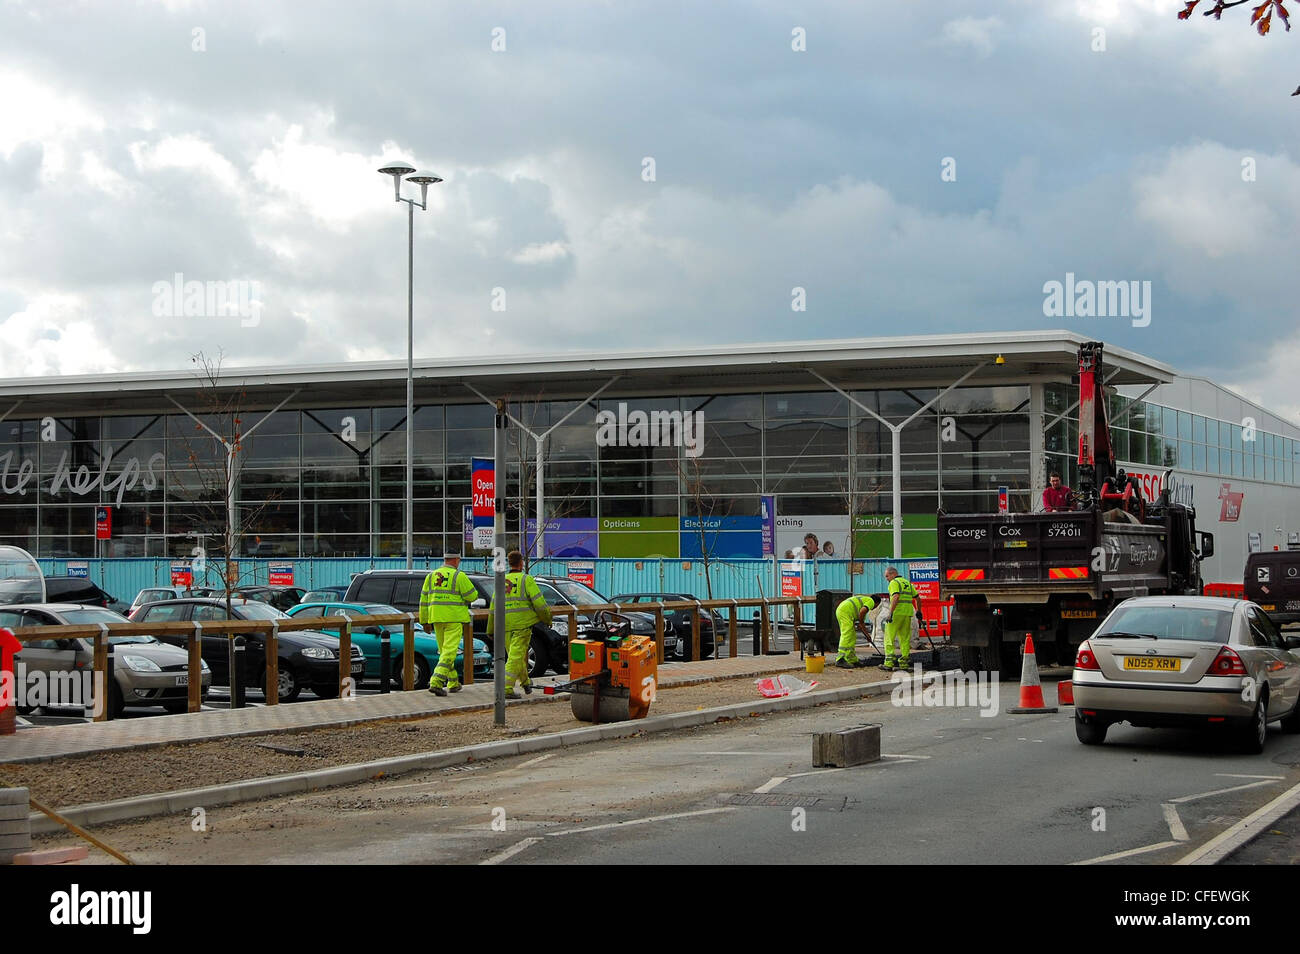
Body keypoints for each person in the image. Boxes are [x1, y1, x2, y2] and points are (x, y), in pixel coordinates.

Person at [488, 550, 553, 699]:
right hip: (522, 625)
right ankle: (505, 688)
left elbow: (493, 607)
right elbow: (540, 604)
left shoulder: (501, 580)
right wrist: (547, 619)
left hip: (504, 625)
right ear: (521, 563)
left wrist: (490, 629)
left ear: (509, 563)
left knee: (514, 656)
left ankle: (525, 682)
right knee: (515, 657)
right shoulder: (526, 580)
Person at [420, 549, 479, 696]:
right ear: (457, 560)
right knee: (449, 652)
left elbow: (423, 601)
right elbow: (473, 596)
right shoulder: (459, 576)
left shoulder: (431, 576)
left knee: (444, 652)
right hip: (454, 618)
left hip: (436, 619)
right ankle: (436, 682)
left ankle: (453, 682)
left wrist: (424, 621)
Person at [879, 566, 918, 671]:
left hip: (896, 614)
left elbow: (896, 596)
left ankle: (889, 663)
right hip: (907, 614)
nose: (886, 578)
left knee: (889, 637)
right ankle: (904, 664)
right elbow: (917, 597)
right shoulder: (907, 583)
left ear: (893, 574)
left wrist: (890, 613)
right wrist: (919, 611)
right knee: (905, 639)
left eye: (887, 576)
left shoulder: (894, 583)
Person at [833, 593, 875, 669]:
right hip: (845, 612)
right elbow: (862, 612)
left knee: (852, 636)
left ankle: (851, 659)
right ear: (877, 603)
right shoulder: (871, 601)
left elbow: (860, 623)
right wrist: (867, 634)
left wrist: (865, 632)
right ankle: (840, 659)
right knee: (847, 634)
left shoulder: (864, 600)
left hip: (843, 611)